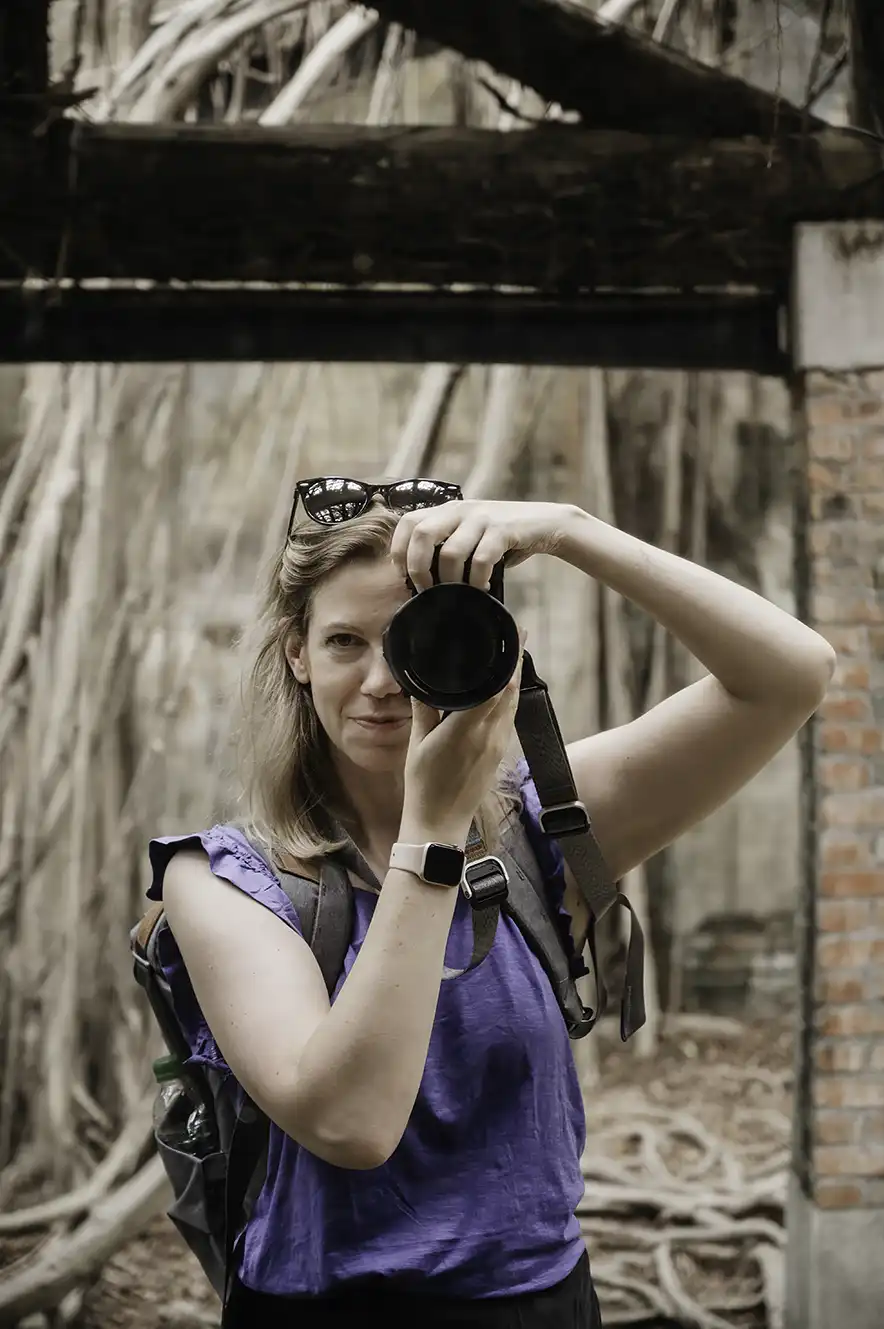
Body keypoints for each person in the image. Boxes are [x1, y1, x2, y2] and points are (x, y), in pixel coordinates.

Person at [148, 475, 835, 1328]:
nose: (379, 681)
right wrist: (431, 832)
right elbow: (354, 1123)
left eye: (409, 641)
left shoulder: (536, 826)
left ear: (483, 649)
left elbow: (792, 674)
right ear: (296, 653)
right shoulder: (223, 879)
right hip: (324, 1306)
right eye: (343, 642)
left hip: (539, 1301)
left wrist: (570, 529)